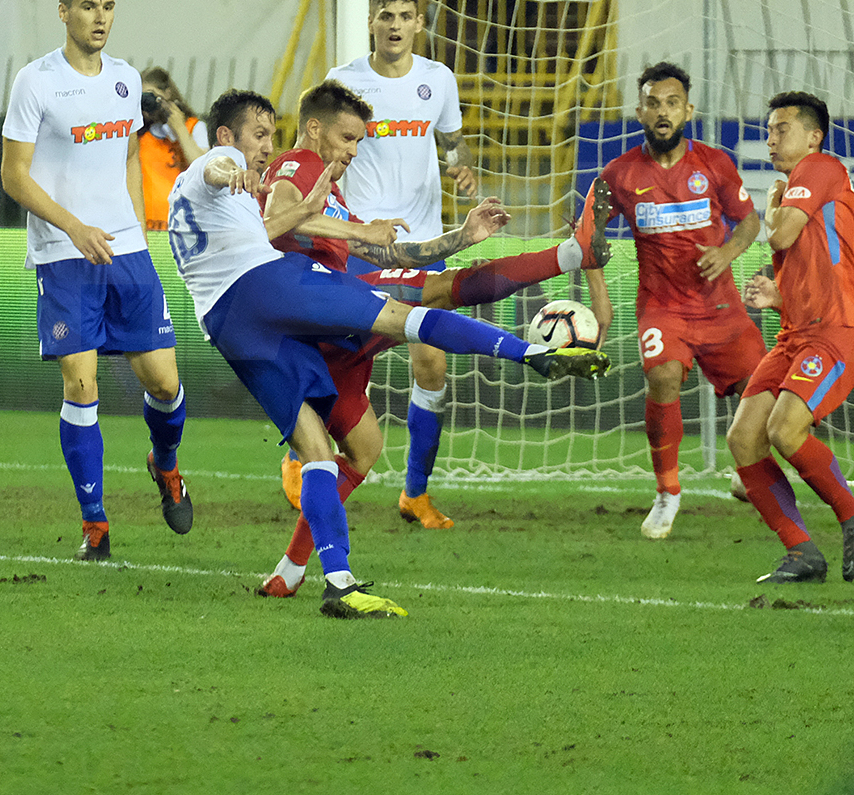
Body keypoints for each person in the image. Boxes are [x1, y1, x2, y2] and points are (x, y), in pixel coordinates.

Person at [165, 87, 609, 617]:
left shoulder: (304, 192)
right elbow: (231, 175)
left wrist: (460, 236)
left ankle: (313, 576)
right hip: (296, 297)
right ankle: (538, 335)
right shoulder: (287, 162)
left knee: (357, 450)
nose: (354, 150)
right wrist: (240, 171)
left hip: (236, 322)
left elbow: (378, 247)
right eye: (348, 137)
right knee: (426, 306)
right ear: (315, 129)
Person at [0, 0, 192, 561]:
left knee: (164, 383)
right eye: (88, 6)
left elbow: (130, 158)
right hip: (64, 255)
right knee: (82, 385)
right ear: (63, 12)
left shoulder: (126, 78)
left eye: (108, 5)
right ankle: (96, 525)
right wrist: (74, 227)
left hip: (126, 252)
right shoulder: (35, 83)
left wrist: (133, 227)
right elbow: (13, 177)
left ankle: (165, 466)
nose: (101, 16)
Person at [579, 62, 765, 539]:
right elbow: (587, 237)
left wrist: (727, 252)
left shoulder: (715, 164)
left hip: (720, 307)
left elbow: (749, 221)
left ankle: (748, 471)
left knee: (762, 391)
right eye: (654, 103)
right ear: (639, 111)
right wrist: (601, 302)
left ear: (689, 110)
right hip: (663, 308)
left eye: (672, 103)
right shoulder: (618, 175)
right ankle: (667, 493)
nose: (663, 112)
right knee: (663, 378)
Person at [328, 0, 479, 531]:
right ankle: (303, 458)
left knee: (432, 361)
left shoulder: (438, 81)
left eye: (404, 15)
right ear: (371, 21)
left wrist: (461, 166)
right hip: (364, 246)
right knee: (346, 358)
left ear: (420, 23)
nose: (394, 24)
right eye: (385, 14)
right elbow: (323, 154)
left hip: (425, 243)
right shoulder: (344, 82)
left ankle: (415, 493)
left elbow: (451, 142)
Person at [723, 92, 854, 584]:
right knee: (744, 438)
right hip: (797, 334)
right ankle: (801, 553)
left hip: (839, 332)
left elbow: (781, 235)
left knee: (784, 430)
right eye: (768, 130)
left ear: (813, 136)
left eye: (781, 129)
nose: (771, 138)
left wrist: (770, 209)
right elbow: (808, 263)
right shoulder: (795, 185)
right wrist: (778, 294)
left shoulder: (820, 166)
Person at [137, 66, 208, 233]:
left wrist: (179, 128)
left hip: (182, 226)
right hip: (148, 226)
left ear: (167, 93)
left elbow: (201, 168)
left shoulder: (194, 127)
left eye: (151, 95)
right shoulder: (139, 134)